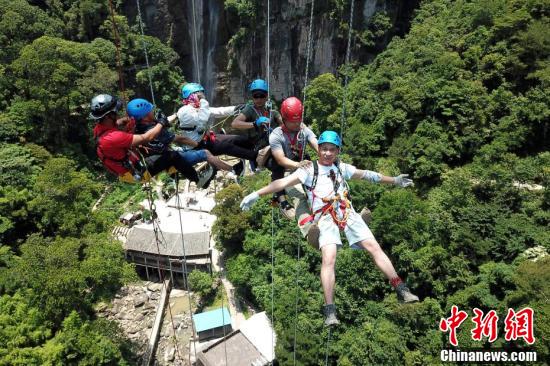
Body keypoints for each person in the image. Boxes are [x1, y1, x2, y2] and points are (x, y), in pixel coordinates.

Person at [240, 130, 420, 326]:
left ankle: (401, 289)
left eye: (331, 150)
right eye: (323, 149)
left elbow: (368, 175)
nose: (327, 153)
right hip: (325, 217)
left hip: (347, 213)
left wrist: (394, 180)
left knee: (373, 247)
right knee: (329, 257)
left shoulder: (342, 168)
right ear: (318, 150)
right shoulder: (309, 170)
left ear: (337, 151)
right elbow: (281, 182)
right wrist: (255, 195)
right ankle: (330, 311)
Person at [128, 98, 237, 189]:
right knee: (205, 153)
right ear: (145, 116)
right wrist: (197, 144)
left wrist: (175, 115)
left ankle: (214, 169)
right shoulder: (155, 131)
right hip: (166, 159)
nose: (153, 112)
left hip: (154, 160)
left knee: (182, 153)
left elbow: (163, 124)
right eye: (150, 111)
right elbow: (180, 139)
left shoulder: (136, 128)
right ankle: (230, 171)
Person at [91, 93, 181, 183]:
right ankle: (176, 175)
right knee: (171, 156)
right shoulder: (114, 137)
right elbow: (148, 137)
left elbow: (116, 126)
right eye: (115, 111)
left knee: (157, 150)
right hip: (136, 172)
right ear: (108, 116)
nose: (117, 113)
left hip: (125, 167)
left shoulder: (100, 128)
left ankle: (172, 173)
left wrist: (124, 121)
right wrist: (161, 122)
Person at [173, 83, 258, 176]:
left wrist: (236, 108)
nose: (202, 96)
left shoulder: (199, 107)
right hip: (196, 146)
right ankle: (257, 158)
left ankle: (254, 163)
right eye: (199, 94)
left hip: (206, 140)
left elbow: (218, 111)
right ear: (192, 96)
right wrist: (203, 100)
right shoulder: (184, 111)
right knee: (226, 147)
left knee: (239, 139)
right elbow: (203, 118)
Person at [268, 96, 318, 221]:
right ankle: (308, 227)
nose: (297, 124)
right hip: (287, 172)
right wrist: (297, 165)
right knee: (299, 197)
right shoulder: (276, 135)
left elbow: (314, 142)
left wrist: (326, 154)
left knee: (319, 191)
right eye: (293, 121)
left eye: (299, 120)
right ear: (284, 120)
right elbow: (280, 159)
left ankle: (344, 217)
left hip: (304, 167)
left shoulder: (303, 129)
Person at [231, 79, 283, 170]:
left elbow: (283, 122)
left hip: (272, 145)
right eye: (256, 96)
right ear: (252, 97)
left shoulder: (271, 111)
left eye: (261, 96)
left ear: (266, 96)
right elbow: (235, 123)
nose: (259, 99)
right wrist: (255, 124)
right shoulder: (249, 110)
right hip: (257, 149)